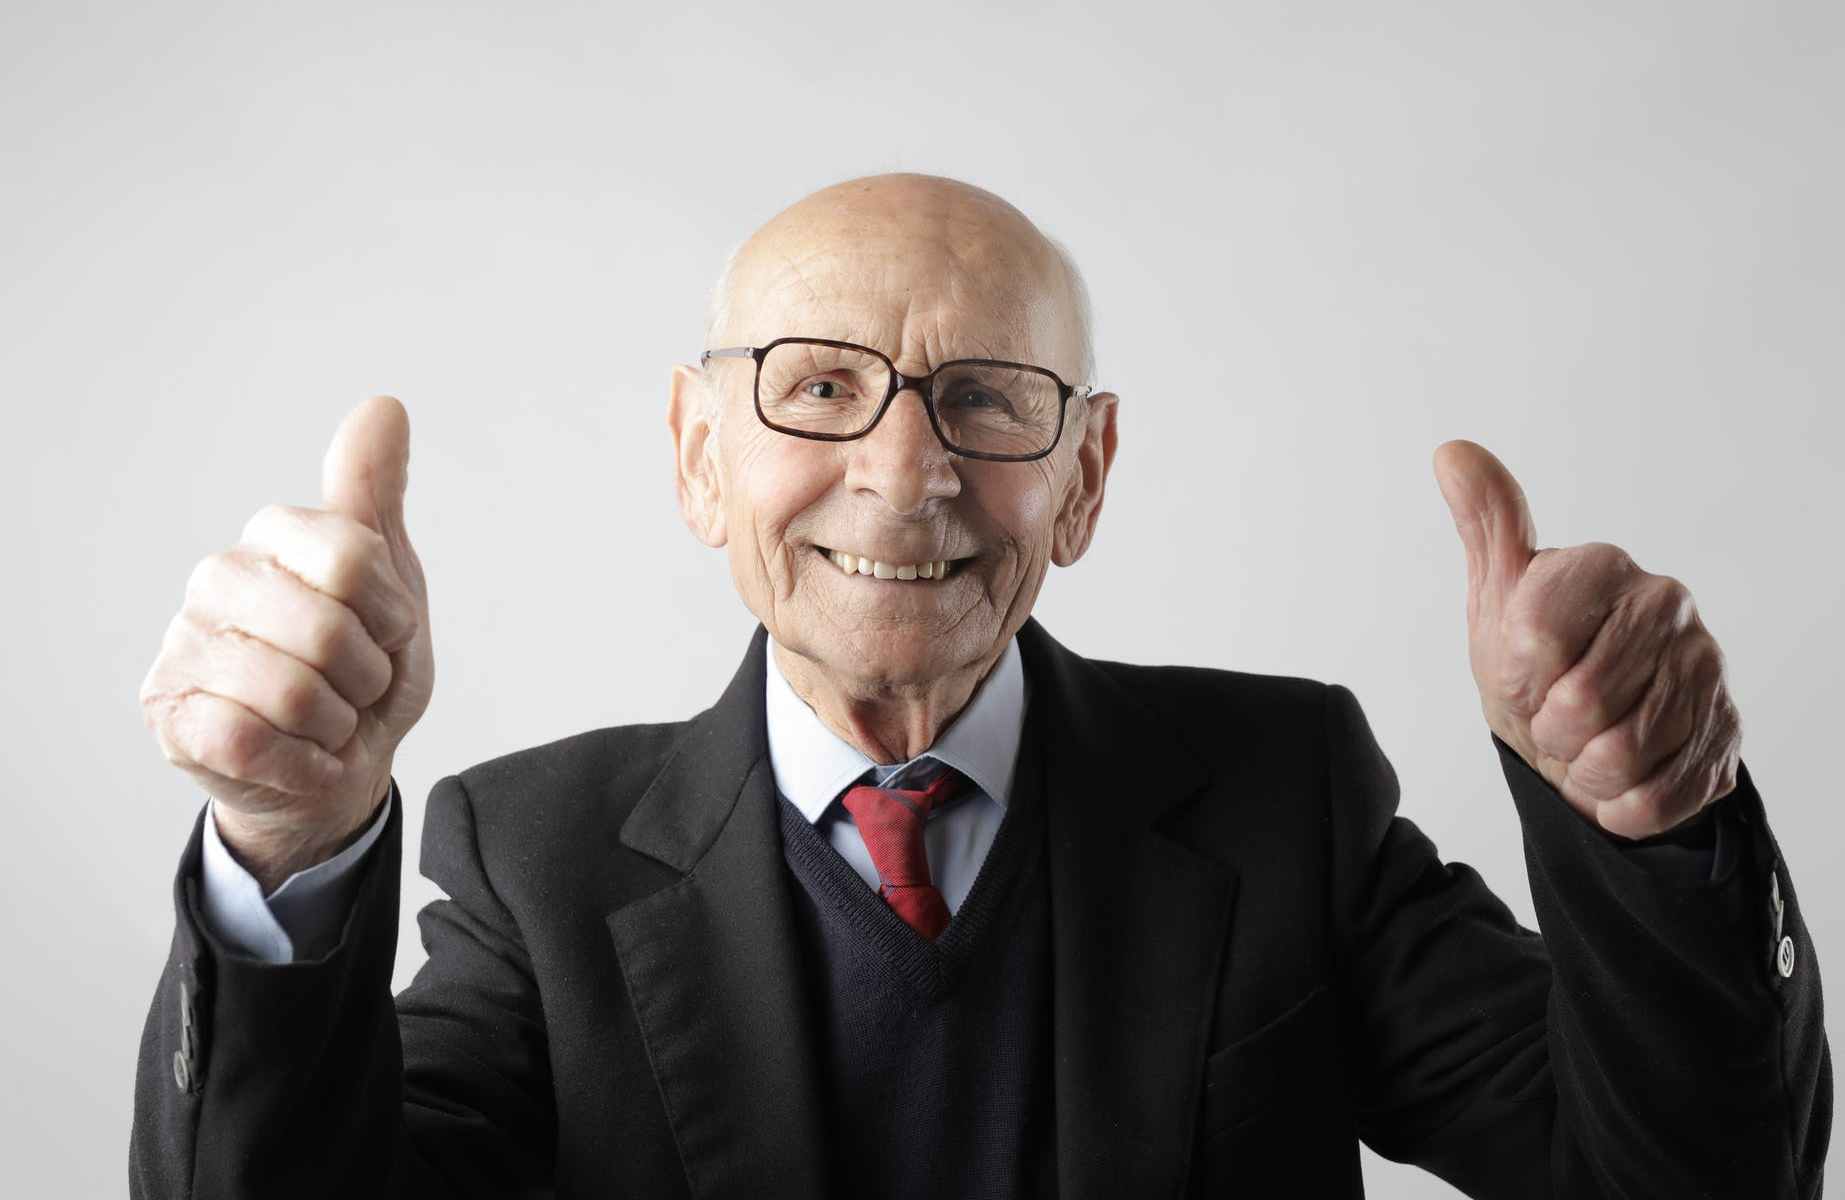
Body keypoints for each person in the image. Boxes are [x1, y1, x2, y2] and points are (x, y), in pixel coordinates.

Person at [130, 173, 1828, 1198]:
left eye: (989, 400)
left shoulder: (1279, 790)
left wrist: (1654, 827)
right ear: (696, 456)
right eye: (817, 388)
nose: (903, 471)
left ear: (1084, 479)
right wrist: (286, 842)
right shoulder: (539, 852)